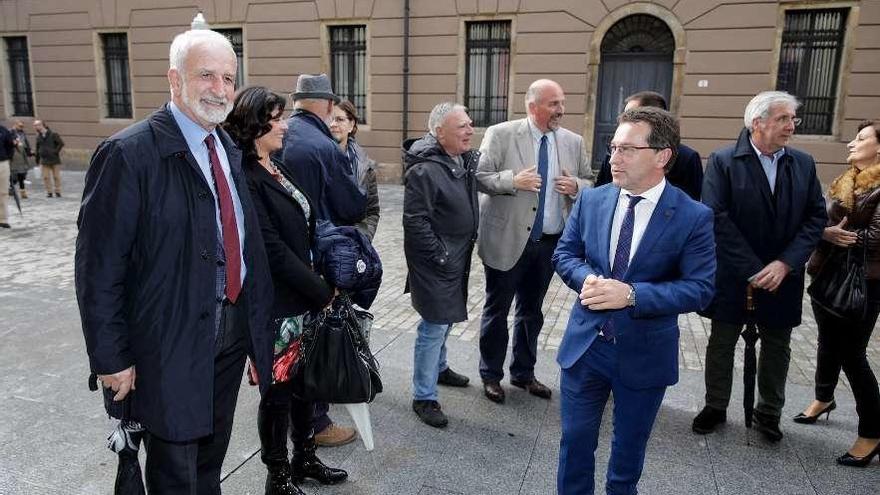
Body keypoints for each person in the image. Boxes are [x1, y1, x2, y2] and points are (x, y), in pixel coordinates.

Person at [75, 29, 274, 493]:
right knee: (175, 472)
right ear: (173, 79)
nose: (221, 89)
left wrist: (253, 336)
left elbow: (247, 250)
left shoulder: (225, 148)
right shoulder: (128, 154)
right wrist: (111, 357)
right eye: (207, 75)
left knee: (209, 464)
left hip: (226, 339)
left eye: (228, 78)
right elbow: (98, 269)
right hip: (166, 346)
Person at [553, 107, 715, 494]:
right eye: (613, 147)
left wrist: (632, 295)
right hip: (586, 348)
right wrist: (586, 278)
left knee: (627, 457)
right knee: (574, 444)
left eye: (627, 149)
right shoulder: (592, 200)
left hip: (644, 353)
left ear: (662, 156)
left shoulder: (693, 216)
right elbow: (564, 254)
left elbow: (701, 287)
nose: (613, 158)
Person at [224, 86, 348, 495]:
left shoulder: (276, 166)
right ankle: (277, 476)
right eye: (276, 119)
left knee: (303, 385)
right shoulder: (246, 175)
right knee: (277, 393)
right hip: (277, 305)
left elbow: (305, 225)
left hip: (302, 299)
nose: (284, 126)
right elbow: (270, 250)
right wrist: (320, 290)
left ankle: (305, 459)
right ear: (254, 125)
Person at [693, 91, 827, 442]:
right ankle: (715, 405)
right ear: (757, 123)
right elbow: (716, 217)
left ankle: (769, 412)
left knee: (777, 344)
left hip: (784, 274)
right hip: (734, 272)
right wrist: (753, 268)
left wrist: (785, 263)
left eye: (792, 119)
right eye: (784, 119)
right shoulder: (723, 161)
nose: (791, 126)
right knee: (722, 341)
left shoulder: (803, 163)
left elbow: (816, 217)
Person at [476, 79, 594, 404]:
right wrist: (511, 180)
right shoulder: (501, 134)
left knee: (532, 311)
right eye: (554, 103)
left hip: (549, 242)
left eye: (562, 102)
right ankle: (491, 375)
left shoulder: (573, 141)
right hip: (507, 238)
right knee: (497, 309)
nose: (561, 109)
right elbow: (480, 176)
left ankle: (523, 373)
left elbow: (589, 179)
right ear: (533, 106)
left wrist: (577, 186)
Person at [281, 73, 362, 447]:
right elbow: (351, 206)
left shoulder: (278, 134)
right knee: (316, 341)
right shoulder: (325, 145)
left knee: (286, 343)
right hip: (316, 260)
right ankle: (316, 422)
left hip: (280, 259)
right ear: (329, 105)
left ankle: (287, 414)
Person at [795, 120, 880, 467]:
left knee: (853, 356)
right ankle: (823, 398)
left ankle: (873, 431)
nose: (851, 144)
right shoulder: (847, 180)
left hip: (864, 282)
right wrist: (824, 231)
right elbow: (822, 222)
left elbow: (875, 237)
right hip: (829, 274)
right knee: (827, 343)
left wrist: (835, 234)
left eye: (861, 139)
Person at [403, 102, 479, 428]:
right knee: (433, 326)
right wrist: (441, 254)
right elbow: (415, 222)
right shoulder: (424, 169)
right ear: (439, 132)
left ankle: (440, 367)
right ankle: (424, 396)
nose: (469, 130)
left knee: (446, 319)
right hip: (437, 261)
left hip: (454, 257)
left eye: (470, 124)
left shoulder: (460, 160)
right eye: (461, 126)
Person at [594, 91, 703, 200]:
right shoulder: (613, 155)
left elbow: (691, 201)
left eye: (633, 115)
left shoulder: (688, 158)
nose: (614, 159)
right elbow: (599, 195)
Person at [329, 99, 380, 240]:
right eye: (330, 119)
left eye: (339, 119)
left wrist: (363, 238)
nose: (333, 124)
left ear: (351, 125)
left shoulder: (365, 165)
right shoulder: (316, 158)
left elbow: (372, 211)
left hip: (354, 245)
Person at [33, 119, 64, 197]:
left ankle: (58, 191)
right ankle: (49, 192)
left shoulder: (53, 134)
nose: (35, 127)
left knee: (56, 176)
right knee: (46, 177)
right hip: (44, 159)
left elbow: (61, 143)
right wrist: (37, 160)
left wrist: (55, 151)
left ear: (42, 125)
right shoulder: (38, 136)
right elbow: (37, 148)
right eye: (35, 125)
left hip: (54, 158)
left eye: (37, 125)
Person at [10, 121, 32, 199]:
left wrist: (29, 152)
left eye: (22, 126)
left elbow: (26, 143)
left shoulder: (22, 133)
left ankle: (22, 192)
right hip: (14, 156)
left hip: (22, 156)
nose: (21, 127)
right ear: (15, 125)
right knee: (15, 175)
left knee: (22, 175)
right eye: (20, 126)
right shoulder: (10, 132)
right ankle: (10, 188)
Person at [0, 123, 15, 229]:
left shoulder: (3, 130)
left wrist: (8, 157)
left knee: (3, 192)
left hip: (2, 163)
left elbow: (10, 145)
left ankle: (3, 219)